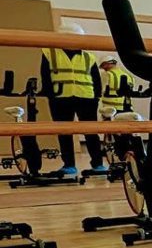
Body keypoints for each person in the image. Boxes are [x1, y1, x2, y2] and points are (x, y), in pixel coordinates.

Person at [41, 18, 107, 179]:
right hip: (60, 98)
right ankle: (69, 165)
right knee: (64, 133)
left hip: (86, 98)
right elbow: (45, 76)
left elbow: (95, 78)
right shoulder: (49, 52)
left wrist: (96, 97)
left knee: (91, 132)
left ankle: (98, 164)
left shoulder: (89, 56)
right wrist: (51, 96)